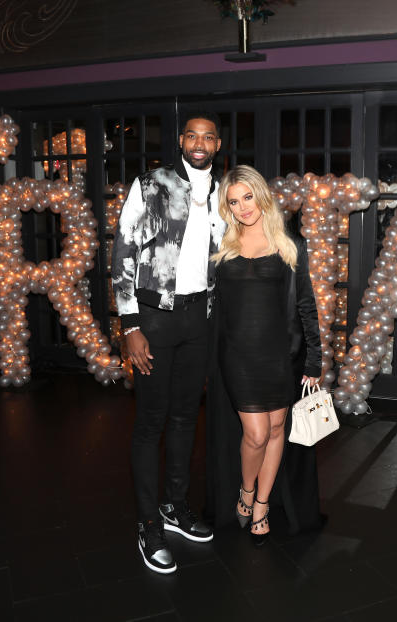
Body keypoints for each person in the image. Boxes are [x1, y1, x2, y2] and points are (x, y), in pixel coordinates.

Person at [110, 110, 226, 574]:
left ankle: (174, 508)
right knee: (151, 422)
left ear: (217, 145)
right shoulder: (151, 183)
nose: (199, 143)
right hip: (153, 319)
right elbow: (122, 251)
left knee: (184, 418)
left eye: (208, 137)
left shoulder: (224, 192)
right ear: (181, 140)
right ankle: (146, 525)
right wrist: (130, 325)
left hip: (199, 318)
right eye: (192, 135)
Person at [205, 165, 324, 545]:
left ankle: (261, 504)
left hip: (280, 356)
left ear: (261, 195)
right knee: (255, 434)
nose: (242, 207)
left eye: (247, 197)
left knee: (277, 430)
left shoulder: (290, 244)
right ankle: (244, 489)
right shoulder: (221, 245)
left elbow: (306, 304)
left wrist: (315, 359)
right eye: (233, 201)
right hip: (238, 356)